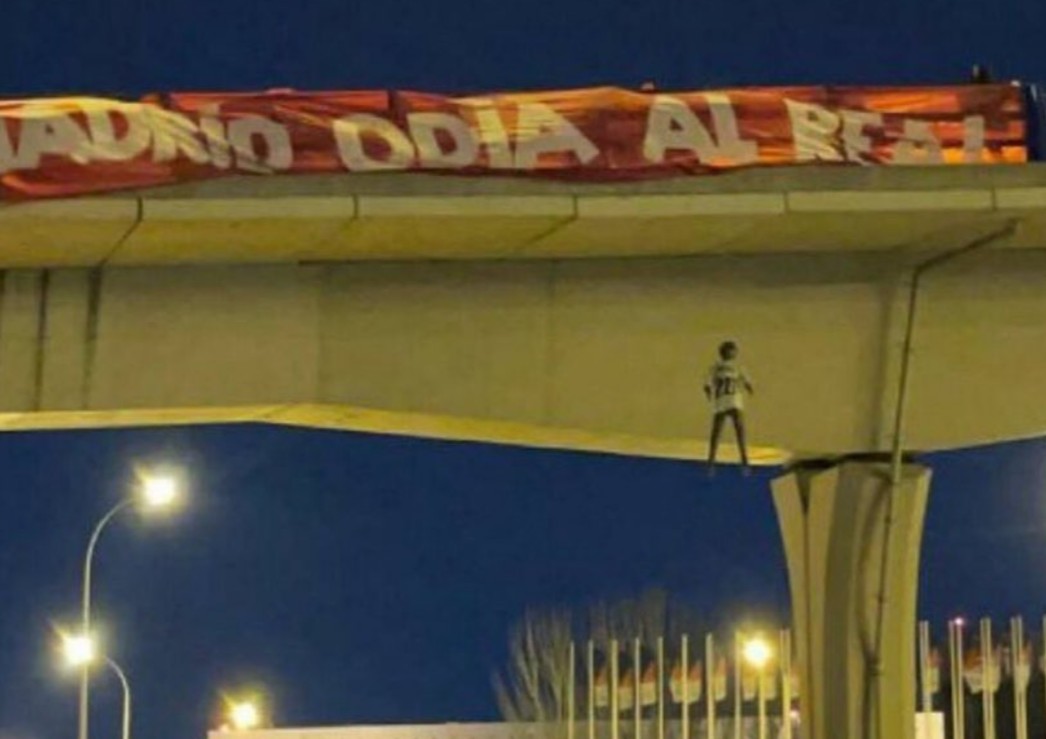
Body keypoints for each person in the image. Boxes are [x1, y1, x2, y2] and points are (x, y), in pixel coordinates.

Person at [704, 340, 754, 475]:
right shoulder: (732, 367)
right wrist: (749, 388)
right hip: (729, 401)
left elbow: (707, 384)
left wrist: (708, 392)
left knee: (726, 432)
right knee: (732, 432)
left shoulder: (717, 367)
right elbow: (747, 382)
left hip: (726, 401)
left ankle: (713, 463)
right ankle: (714, 463)